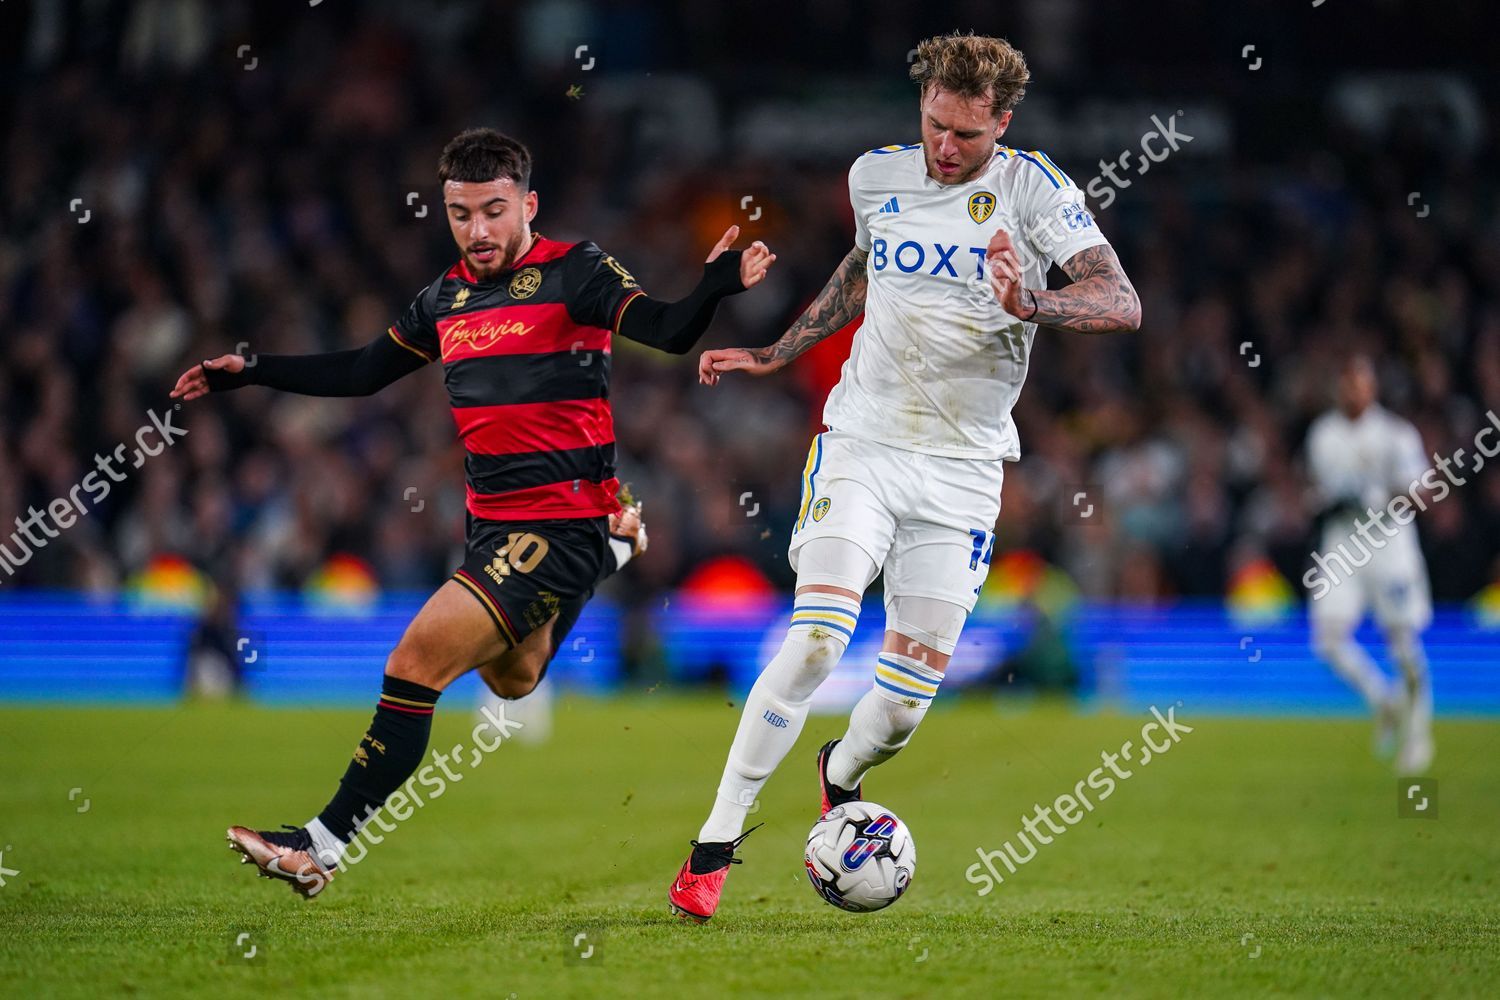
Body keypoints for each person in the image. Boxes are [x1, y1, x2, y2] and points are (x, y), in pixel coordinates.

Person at [170, 127, 774, 898]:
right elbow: (361, 372)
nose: (478, 231)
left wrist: (715, 285)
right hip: (491, 526)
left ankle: (321, 842)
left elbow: (667, 329)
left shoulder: (576, 270)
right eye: (461, 215)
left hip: (557, 522)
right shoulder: (444, 298)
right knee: (512, 682)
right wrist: (250, 372)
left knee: (413, 662)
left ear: (527, 204)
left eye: (493, 211)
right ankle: (610, 558)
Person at [666, 31, 1140, 923]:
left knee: (903, 709)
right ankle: (714, 846)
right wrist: (778, 350)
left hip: (963, 469)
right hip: (865, 443)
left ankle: (838, 774)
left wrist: (1028, 301)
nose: (945, 149)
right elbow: (863, 266)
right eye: (934, 126)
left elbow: (1122, 300)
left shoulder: (1037, 191)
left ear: (1004, 120)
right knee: (816, 636)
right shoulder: (874, 176)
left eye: (966, 133)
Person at [1305, 355, 1435, 774]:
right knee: (1327, 640)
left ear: (1372, 387)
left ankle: (1418, 734)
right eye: (1345, 384)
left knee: (1402, 642)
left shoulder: (1396, 435)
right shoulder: (1323, 434)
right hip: (1343, 543)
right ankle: (1385, 701)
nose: (1351, 392)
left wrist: (1383, 496)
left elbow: (1424, 493)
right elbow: (1316, 488)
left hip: (1388, 545)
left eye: (1358, 383)